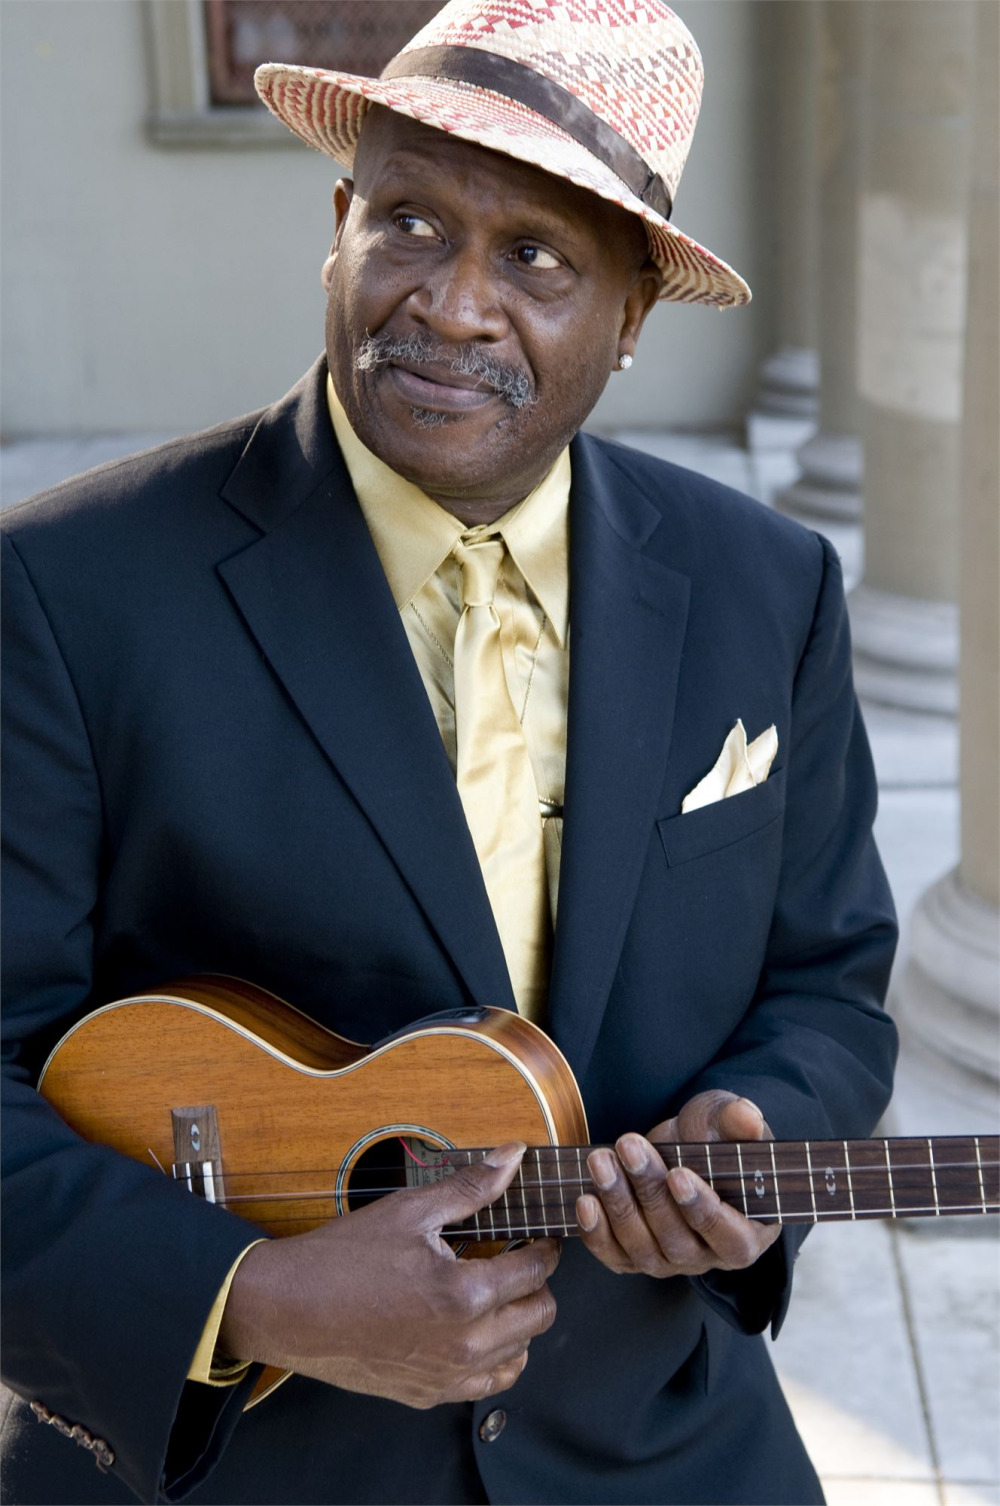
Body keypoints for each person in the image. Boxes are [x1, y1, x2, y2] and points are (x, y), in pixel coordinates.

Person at [0, 2, 898, 1503]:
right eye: (410, 220)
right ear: (338, 226)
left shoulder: (768, 589)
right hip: (224, 1462)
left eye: (538, 256)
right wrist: (254, 1300)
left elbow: (830, 986)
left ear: (631, 317)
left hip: (656, 1437)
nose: (455, 305)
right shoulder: (65, 590)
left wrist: (759, 1134)